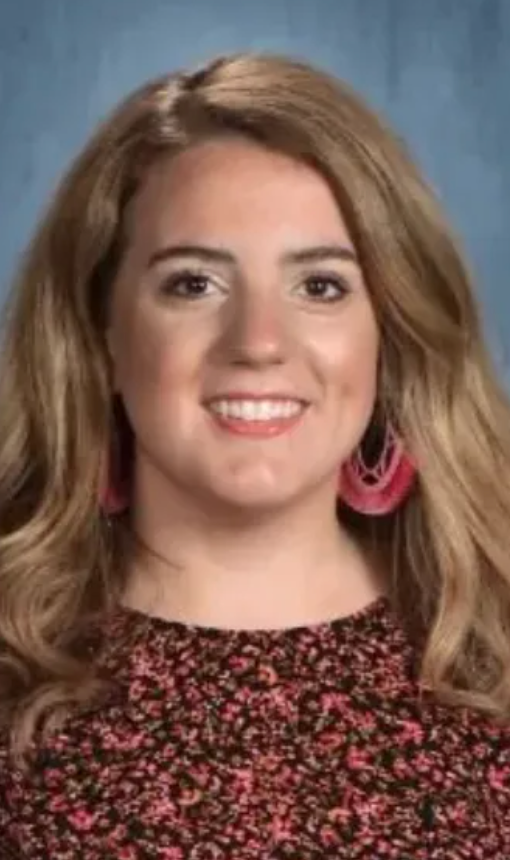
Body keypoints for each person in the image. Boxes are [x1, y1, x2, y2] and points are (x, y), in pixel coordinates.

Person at [0, 50, 509, 858]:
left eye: (321, 286)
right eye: (194, 284)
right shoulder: (13, 672)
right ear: (101, 333)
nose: (259, 342)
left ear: (392, 332)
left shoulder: (495, 657)